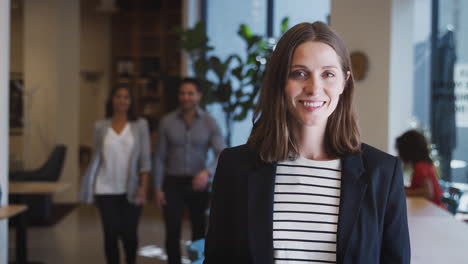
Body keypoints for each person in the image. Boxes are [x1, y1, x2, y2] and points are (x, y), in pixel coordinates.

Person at [204, 22, 410, 264]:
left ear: (344, 82)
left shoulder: (382, 172)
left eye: (328, 74)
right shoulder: (235, 166)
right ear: (280, 81)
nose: (314, 88)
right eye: (299, 73)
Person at [153, 77, 225, 264]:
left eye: (190, 93)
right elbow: (159, 156)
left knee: (199, 231)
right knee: (172, 230)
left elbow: (222, 153)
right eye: (182, 93)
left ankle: (197, 262)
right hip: (172, 182)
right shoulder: (166, 121)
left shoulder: (210, 122)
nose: (186, 97)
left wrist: (207, 173)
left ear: (199, 96)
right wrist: (157, 187)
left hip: (198, 183)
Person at [80, 83, 151, 264]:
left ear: (131, 101)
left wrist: (143, 187)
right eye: (118, 96)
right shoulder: (100, 126)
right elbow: (96, 157)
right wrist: (88, 183)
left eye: (126, 97)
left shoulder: (140, 125)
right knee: (110, 234)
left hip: (132, 188)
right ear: (112, 100)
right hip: (104, 188)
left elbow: (145, 160)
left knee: (129, 235)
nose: (122, 100)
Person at [396, 129, 444, 207]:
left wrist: (400, 192)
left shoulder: (421, 167)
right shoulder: (425, 165)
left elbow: (427, 193)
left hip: (432, 212)